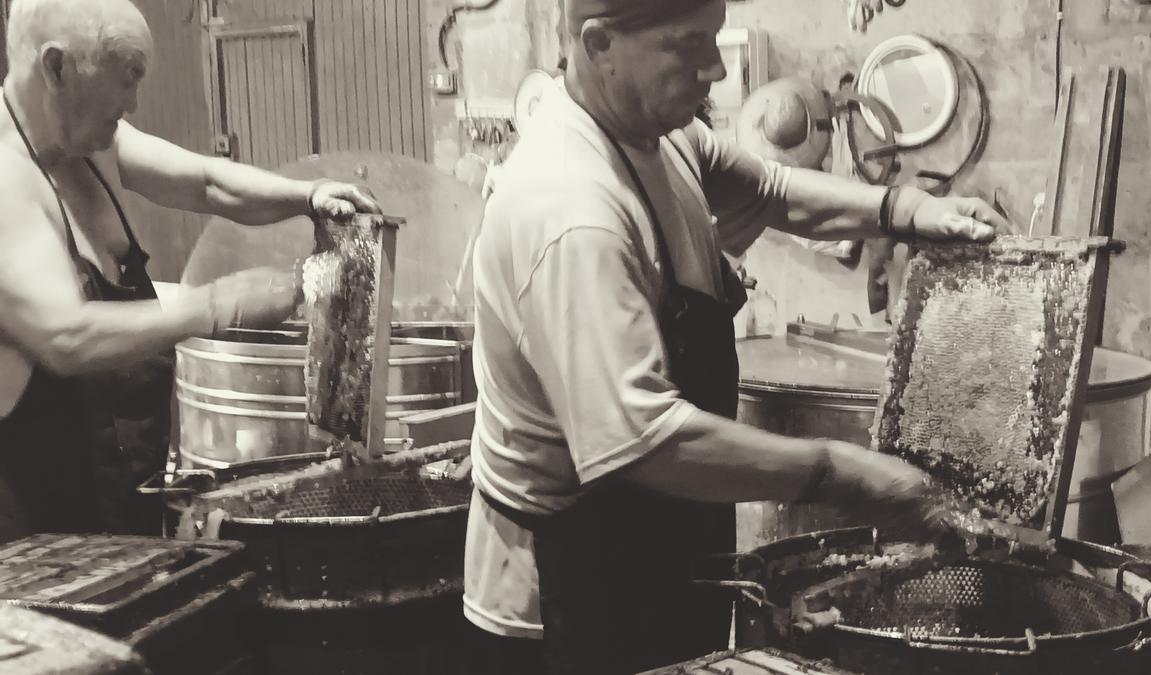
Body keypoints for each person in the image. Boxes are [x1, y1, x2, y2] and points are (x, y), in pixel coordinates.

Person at [463, 1, 1012, 673]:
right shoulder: (571, 212)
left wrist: (909, 208)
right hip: (565, 583)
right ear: (599, 44)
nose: (716, 69)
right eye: (688, 45)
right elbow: (641, 440)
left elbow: (772, 189)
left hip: (658, 541)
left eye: (716, 40)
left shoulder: (659, 137)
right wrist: (842, 473)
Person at [0, 0, 380, 543]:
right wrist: (218, 306)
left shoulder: (89, 144)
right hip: (41, 543)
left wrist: (308, 194)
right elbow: (66, 338)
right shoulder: (7, 182)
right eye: (125, 82)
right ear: (56, 67)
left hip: (123, 510)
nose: (133, 104)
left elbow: (207, 183)